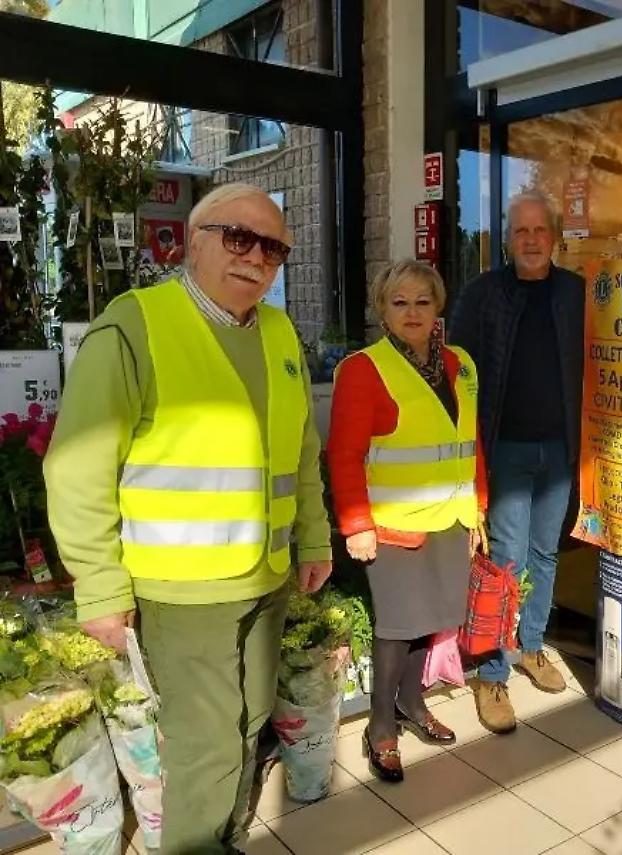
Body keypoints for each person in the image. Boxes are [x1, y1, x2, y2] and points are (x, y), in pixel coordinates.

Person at [44, 183, 332, 853]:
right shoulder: (135, 325)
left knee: (249, 721)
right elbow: (78, 465)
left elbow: (301, 452)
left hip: (266, 577)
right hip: (183, 593)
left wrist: (315, 537)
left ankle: (224, 834)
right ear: (193, 243)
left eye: (273, 248)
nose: (255, 256)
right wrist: (99, 586)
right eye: (239, 237)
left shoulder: (278, 332)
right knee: (206, 743)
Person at [327, 260, 487, 783]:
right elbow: (344, 455)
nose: (412, 312)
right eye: (400, 302)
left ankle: (413, 703)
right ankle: (380, 727)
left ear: (438, 306)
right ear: (383, 310)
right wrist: (356, 524)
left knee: (433, 617)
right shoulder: (363, 369)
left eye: (422, 301)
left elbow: (470, 441)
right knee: (397, 627)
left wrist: (479, 507)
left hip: (452, 517)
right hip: (394, 526)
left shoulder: (460, 364)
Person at [449, 190, 585, 734]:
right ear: (507, 240)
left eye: (539, 230)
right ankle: (492, 671)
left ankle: (531, 645)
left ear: (555, 237)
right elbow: (457, 372)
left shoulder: (575, 293)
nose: (531, 240)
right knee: (506, 560)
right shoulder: (483, 294)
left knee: (545, 554)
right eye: (520, 231)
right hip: (503, 447)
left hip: (559, 450)